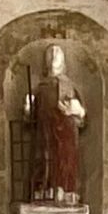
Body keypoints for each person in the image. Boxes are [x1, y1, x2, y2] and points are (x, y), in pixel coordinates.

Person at [25, 43, 86, 205]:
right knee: (45, 159)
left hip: (67, 132)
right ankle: (45, 189)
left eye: (57, 53)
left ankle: (66, 191)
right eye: (50, 53)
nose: (53, 56)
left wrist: (78, 111)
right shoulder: (40, 88)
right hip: (46, 131)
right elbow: (31, 118)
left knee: (66, 160)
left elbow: (82, 117)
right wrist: (28, 108)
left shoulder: (71, 87)